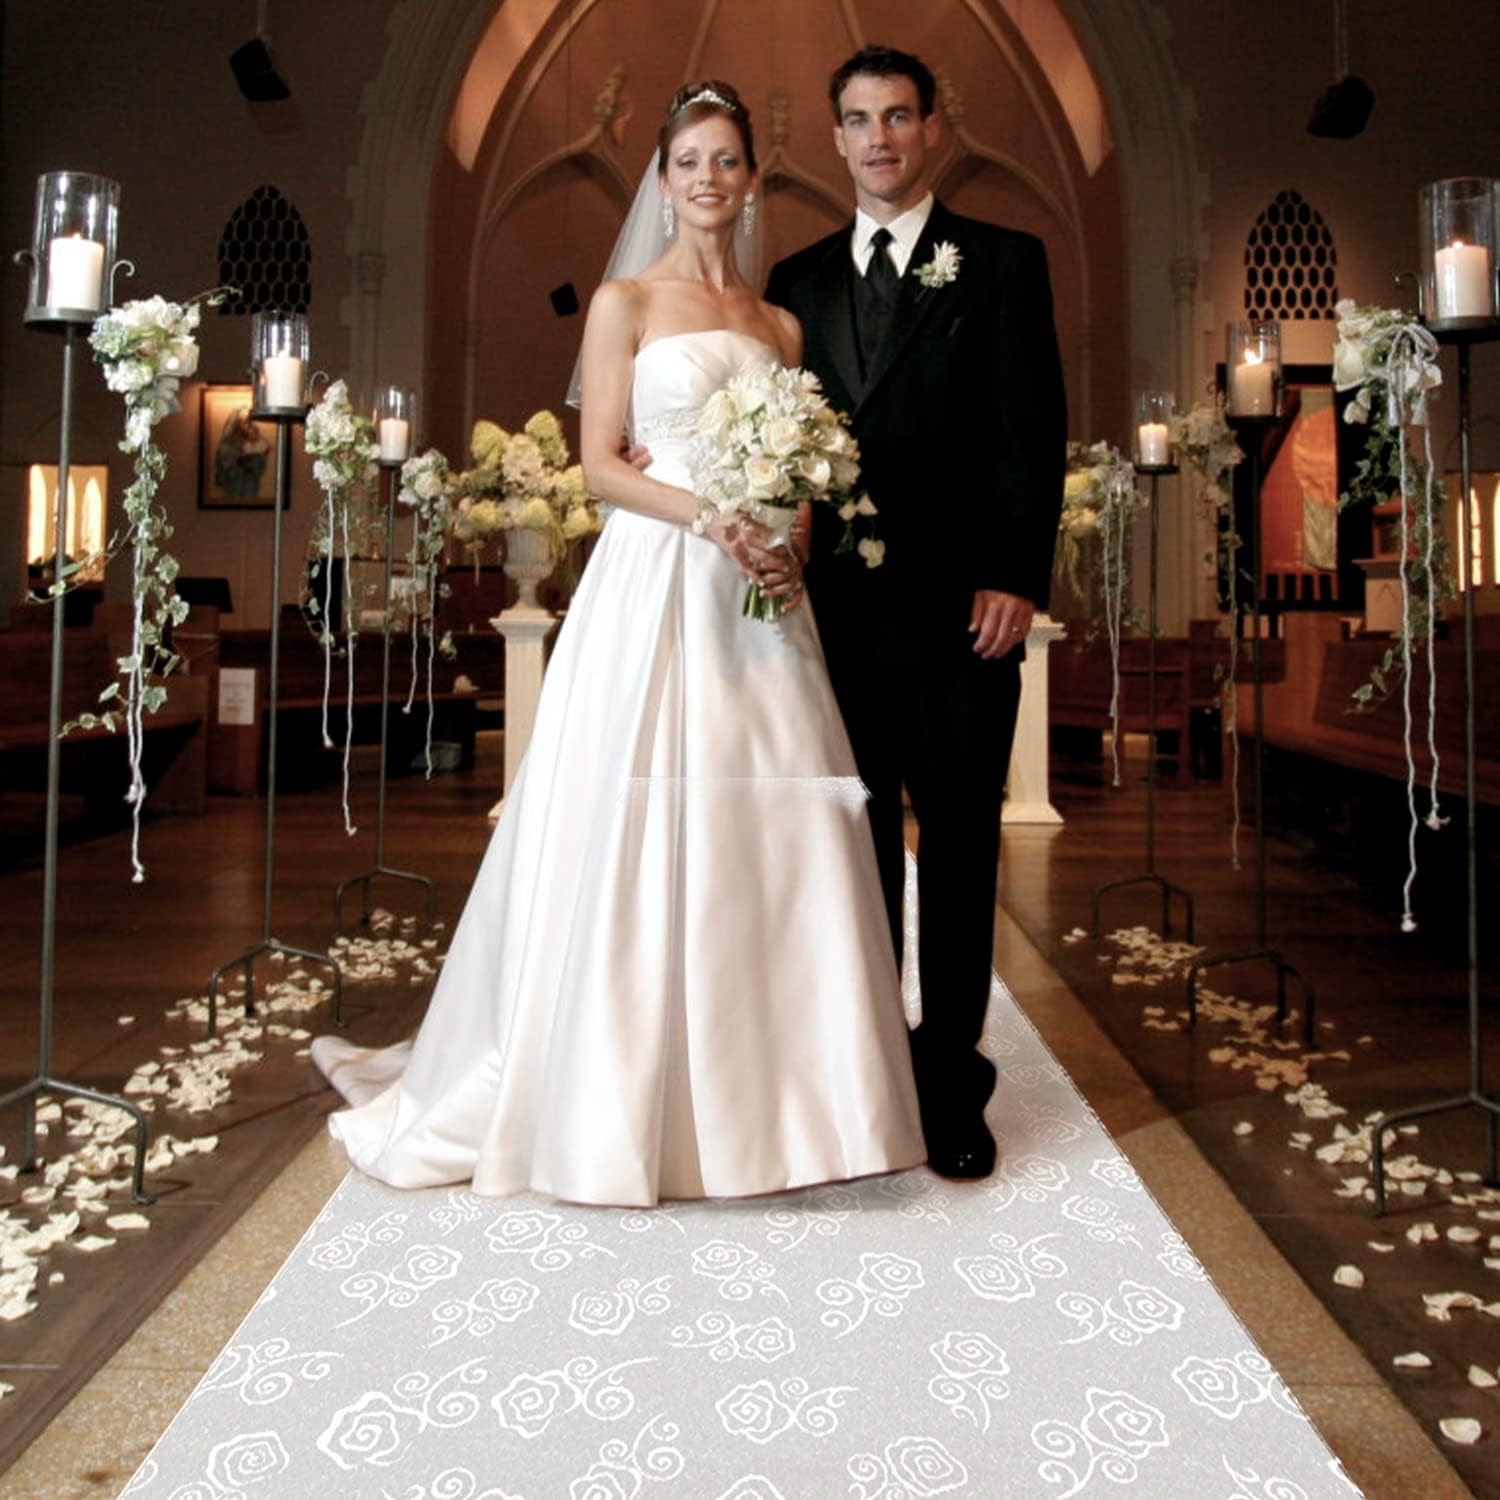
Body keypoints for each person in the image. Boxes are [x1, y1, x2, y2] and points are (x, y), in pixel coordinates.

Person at [310, 81, 926, 1208]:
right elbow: (600, 466)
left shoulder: (781, 324)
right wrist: (715, 519)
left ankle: (793, 1096)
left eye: (726, 160)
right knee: (638, 813)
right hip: (660, 575)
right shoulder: (622, 301)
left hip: (763, 594)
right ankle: (622, 1083)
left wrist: (790, 541)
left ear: (751, 179)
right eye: (688, 161)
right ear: (665, 180)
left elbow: (803, 466)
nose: (707, 179)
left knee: (773, 823)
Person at [765, 46, 1067, 1180]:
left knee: (961, 839)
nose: (880, 138)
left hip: (962, 612)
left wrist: (1015, 573)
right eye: (859, 119)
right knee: (854, 851)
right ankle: (867, 1077)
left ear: (933, 129)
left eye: (899, 116)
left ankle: (950, 1081)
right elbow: (770, 434)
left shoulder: (1003, 262)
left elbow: (1030, 428)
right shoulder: (794, 282)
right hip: (835, 618)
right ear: (836, 138)